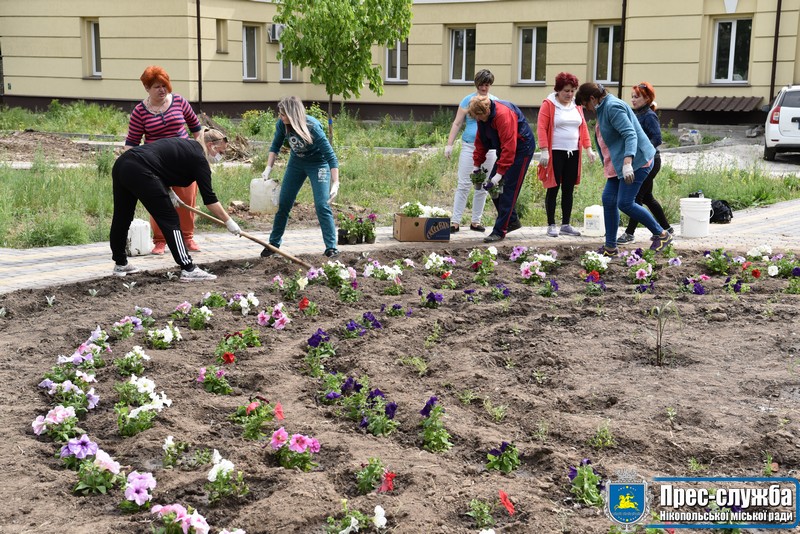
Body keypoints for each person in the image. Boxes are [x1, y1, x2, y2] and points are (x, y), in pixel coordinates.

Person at [110, 129, 241, 281]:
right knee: (170, 219)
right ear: (211, 145)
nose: (220, 156)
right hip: (141, 170)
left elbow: (162, 163)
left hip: (123, 164)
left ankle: (120, 263)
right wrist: (228, 221)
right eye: (220, 151)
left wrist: (169, 191)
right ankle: (188, 268)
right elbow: (210, 199)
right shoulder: (199, 159)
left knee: (122, 216)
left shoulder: (187, 146)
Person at [574, 83, 672, 255]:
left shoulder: (612, 107)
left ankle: (661, 234)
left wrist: (628, 162)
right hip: (617, 164)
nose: (587, 109)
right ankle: (610, 247)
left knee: (625, 203)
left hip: (636, 161)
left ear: (592, 98)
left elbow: (630, 134)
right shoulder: (603, 107)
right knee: (608, 199)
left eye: (585, 104)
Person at [124, 66, 204, 255]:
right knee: (159, 201)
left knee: (186, 200)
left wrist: (199, 154)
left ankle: (187, 238)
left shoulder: (179, 102)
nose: (162, 90)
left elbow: (196, 128)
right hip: (156, 164)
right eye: (156, 87)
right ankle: (160, 240)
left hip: (184, 161)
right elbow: (132, 143)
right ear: (147, 88)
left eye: (164, 85)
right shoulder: (139, 112)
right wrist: (129, 168)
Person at [260, 96, 340, 258]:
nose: (280, 117)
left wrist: (336, 182)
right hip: (296, 163)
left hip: (318, 164)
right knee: (283, 203)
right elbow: (275, 146)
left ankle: (331, 248)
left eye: (283, 114)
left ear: (292, 114)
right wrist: (268, 168)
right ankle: (273, 244)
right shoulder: (282, 125)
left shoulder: (312, 127)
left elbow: (331, 156)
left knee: (321, 204)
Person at [468, 95, 536, 243]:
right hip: (506, 150)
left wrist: (499, 175)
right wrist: (476, 166)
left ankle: (499, 231)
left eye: (478, 117)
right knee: (493, 189)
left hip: (521, 149)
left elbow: (510, 146)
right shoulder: (483, 118)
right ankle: (511, 221)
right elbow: (481, 142)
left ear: (486, 111)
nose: (477, 120)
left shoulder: (503, 115)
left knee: (507, 191)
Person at [536, 72, 596, 238]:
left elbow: (582, 127)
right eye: (566, 91)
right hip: (555, 152)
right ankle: (551, 224)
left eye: (572, 91)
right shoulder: (549, 104)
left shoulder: (576, 106)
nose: (570, 94)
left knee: (568, 189)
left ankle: (566, 224)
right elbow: (541, 127)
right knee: (553, 188)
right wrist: (544, 150)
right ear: (558, 90)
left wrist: (588, 148)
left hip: (573, 153)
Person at [617, 81, 673, 244]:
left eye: (637, 97)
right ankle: (667, 228)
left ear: (647, 99)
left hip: (651, 161)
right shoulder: (636, 115)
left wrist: (641, 152)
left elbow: (657, 138)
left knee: (636, 198)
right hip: (643, 162)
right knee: (647, 197)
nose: (633, 100)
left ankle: (629, 233)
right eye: (632, 97)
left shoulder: (649, 115)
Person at [444, 69, 498, 233]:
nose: (484, 87)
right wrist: (449, 144)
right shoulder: (467, 100)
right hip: (469, 146)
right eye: (481, 84)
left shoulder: (495, 101)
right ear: (477, 84)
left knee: (482, 185)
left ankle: (476, 221)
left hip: (489, 149)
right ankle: (455, 221)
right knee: (464, 183)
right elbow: (457, 123)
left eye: (487, 84)